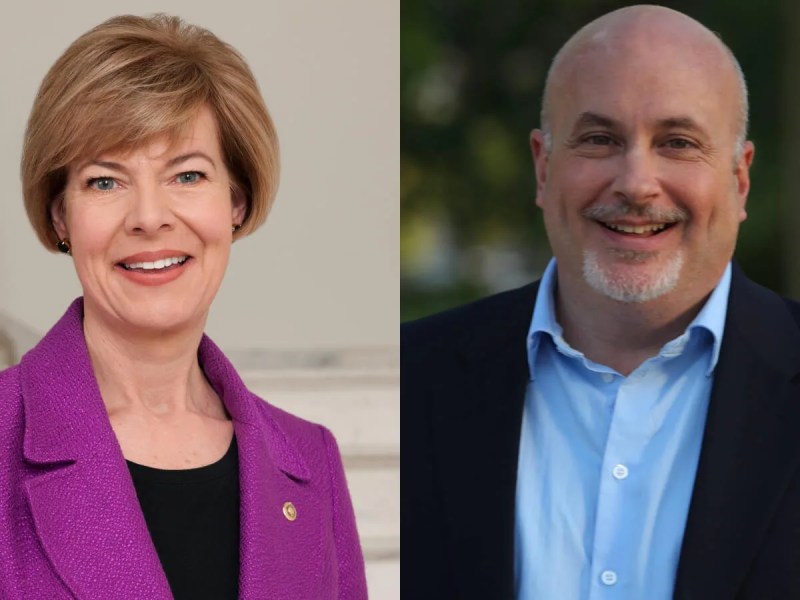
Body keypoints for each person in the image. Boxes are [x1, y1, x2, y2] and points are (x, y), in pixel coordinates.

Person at [402, 5, 800, 599]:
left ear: (739, 180)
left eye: (678, 142)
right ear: (543, 168)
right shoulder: (412, 378)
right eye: (599, 139)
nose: (636, 182)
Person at [0, 14, 367, 600]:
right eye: (104, 181)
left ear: (236, 203)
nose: (149, 217)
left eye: (188, 175)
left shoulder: (310, 460)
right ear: (60, 215)